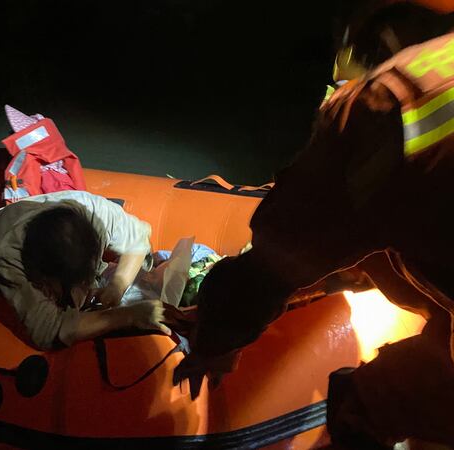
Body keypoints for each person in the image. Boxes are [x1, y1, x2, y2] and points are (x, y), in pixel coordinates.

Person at [176, 1, 454, 448]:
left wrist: (216, 339)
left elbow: (278, 258)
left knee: (364, 403)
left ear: (376, 35)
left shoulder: (384, 102)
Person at [0, 190, 171, 350]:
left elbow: (138, 239)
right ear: (41, 278)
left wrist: (117, 286)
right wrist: (127, 315)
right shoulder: (8, 253)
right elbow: (47, 331)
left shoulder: (95, 212)